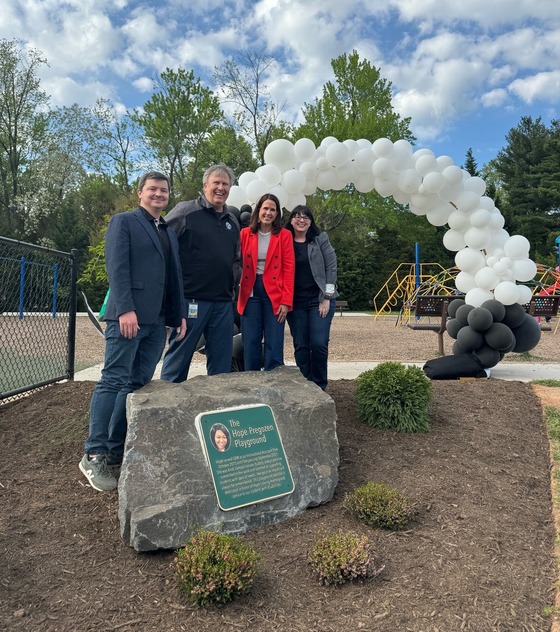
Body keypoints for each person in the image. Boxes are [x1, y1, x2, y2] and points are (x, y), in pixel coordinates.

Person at [79, 172, 187, 492]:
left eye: (163, 190)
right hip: (128, 317)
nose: (158, 194)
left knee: (137, 382)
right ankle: (94, 454)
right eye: (152, 189)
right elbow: (117, 267)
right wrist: (125, 308)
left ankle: (115, 449)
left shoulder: (167, 230)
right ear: (139, 193)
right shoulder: (124, 222)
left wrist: (178, 315)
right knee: (113, 380)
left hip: (157, 322)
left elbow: (174, 279)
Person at [160, 164, 240, 382]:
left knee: (221, 362)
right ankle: (167, 405)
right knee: (180, 354)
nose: (221, 188)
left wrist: (233, 287)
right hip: (191, 301)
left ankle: (215, 409)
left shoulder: (232, 221)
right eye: (216, 183)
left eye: (225, 184)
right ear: (205, 186)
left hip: (223, 303)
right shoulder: (186, 211)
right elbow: (162, 245)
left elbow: (235, 260)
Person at [237, 193, 295, 371]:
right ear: (258, 210)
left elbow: (289, 268)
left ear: (277, 214)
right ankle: (252, 383)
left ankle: (274, 382)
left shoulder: (284, 235)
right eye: (265, 208)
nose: (268, 213)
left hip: (274, 292)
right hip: (250, 291)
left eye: (273, 210)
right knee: (250, 341)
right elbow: (236, 262)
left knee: (274, 341)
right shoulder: (245, 233)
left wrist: (286, 301)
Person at [285, 205, 337, 390]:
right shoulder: (284, 239)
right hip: (295, 302)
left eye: (306, 217)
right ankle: (305, 386)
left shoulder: (320, 239)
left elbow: (331, 267)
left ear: (311, 221)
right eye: (297, 216)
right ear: (291, 220)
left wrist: (327, 297)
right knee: (301, 345)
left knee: (319, 343)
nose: (301, 220)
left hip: (318, 300)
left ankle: (320, 386)